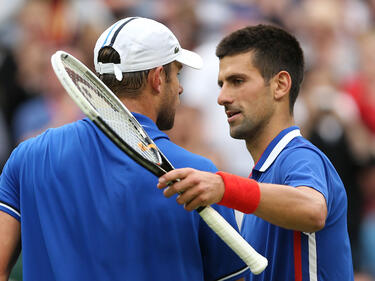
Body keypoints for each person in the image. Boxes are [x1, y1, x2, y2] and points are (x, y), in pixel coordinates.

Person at [0, 17, 249, 281]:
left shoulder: (28, 156)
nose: (180, 87)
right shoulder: (200, 176)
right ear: (157, 78)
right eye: (176, 74)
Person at [158, 24, 354, 281]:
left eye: (237, 81)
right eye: (221, 84)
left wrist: (224, 187)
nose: (222, 97)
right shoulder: (260, 185)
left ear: (281, 85)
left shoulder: (300, 156)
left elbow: (312, 210)